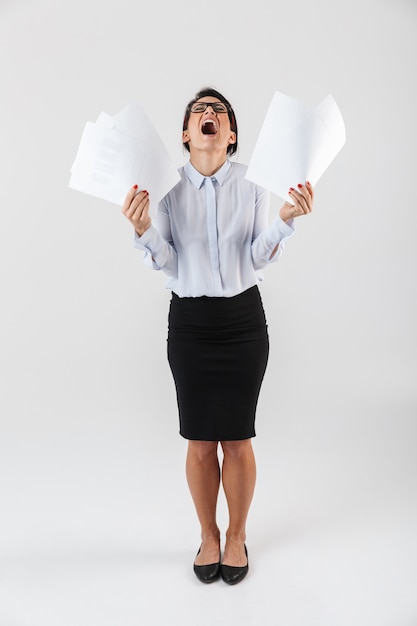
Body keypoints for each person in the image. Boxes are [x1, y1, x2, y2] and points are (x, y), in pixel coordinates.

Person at [122, 87, 313, 585]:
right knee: (201, 440)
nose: (209, 114)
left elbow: (254, 255)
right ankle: (208, 534)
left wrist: (285, 223)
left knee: (238, 437)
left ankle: (236, 535)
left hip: (242, 324)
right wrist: (143, 229)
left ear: (230, 136)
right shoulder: (166, 188)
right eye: (199, 111)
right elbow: (168, 261)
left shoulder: (252, 183)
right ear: (186, 134)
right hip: (189, 326)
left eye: (219, 112)